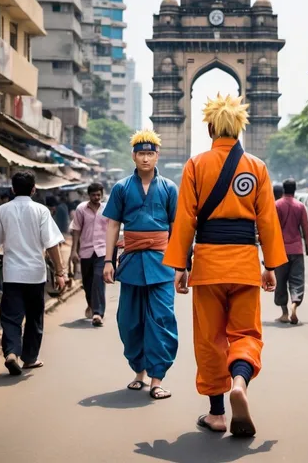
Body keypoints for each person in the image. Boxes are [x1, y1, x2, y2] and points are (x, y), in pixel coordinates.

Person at [163, 94, 287, 437]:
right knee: (246, 333)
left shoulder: (195, 166)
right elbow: (268, 221)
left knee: (210, 338)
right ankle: (240, 383)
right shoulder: (257, 167)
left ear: (209, 128)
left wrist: (180, 266)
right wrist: (271, 266)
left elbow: (185, 219)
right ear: (239, 128)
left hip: (208, 265)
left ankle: (217, 414)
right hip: (246, 264)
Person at [103, 129, 179, 400]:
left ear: (157, 156)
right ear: (133, 156)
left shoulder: (170, 188)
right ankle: (139, 372)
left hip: (162, 262)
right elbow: (113, 225)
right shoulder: (121, 188)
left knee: (161, 320)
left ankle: (157, 379)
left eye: (150, 153)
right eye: (141, 153)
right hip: (132, 261)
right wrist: (108, 260)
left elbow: (176, 227)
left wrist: (183, 266)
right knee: (129, 320)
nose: (146, 158)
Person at [0, 171, 65, 376]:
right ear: (33, 189)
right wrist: (60, 272)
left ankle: (11, 352)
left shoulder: (3, 210)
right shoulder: (41, 211)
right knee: (35, 317)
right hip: (36, 274)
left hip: (12, 274)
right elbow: (52, 244)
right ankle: (29, 359)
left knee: (11, 317)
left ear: (12, 189)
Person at [274, 179, 308, 325]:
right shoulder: (300, 206)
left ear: (283, 189)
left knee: (281, 281)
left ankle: (284, 313)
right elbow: (305, 228)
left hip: (280, 250)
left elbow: (273, 228)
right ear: (295, 190)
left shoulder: (276, 205)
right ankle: (294, 305)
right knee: (297, 279)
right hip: (296, 249)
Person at [70, 183, 109, 327]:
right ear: (89, 195)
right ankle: (92, 305)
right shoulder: (81, 209)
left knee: (99, 279)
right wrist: (73, 250)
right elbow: (76, 230)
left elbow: (112, 229)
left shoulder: (107, 209)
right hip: (86, 251)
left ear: (102, 194)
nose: (96, 197)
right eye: (93, 195)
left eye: (99, 195)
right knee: (87, 283)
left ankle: (98, 313)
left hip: (102, 250)